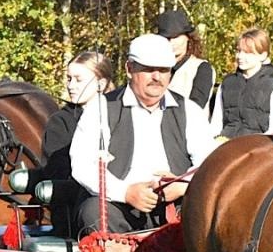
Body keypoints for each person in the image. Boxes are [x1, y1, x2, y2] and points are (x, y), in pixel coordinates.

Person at [67, 33, 217, 235]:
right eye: (148, 69)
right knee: (94, 212)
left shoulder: (189, 110)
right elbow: (83, 165)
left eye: (164, 70)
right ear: (130, 68)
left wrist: (183, 185)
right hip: (119, 207)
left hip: (178, 208)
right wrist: (126, 192)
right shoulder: (101, 108)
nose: (157, 77)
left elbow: (210, 162)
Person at [37, 50, 112, 235]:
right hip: (74, 214)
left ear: (100, 84)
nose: (71, 86)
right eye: (69, 79)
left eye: (78, 80)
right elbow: (57, 173)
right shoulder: (60, 122)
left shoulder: (119, 113)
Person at [213, 27, 273, 139]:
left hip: (256, 147)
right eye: (238, 51)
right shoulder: (227, 83)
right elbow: (215, 124)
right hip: (226, 144)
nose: (240, 56)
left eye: (247, 53)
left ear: (263, 55)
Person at [154, 8, 217, 115]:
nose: (171, 43)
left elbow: (197, 106)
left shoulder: (201, 68)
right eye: (167, 38)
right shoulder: (153, 69)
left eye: (176, 37)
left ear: (188, 37)